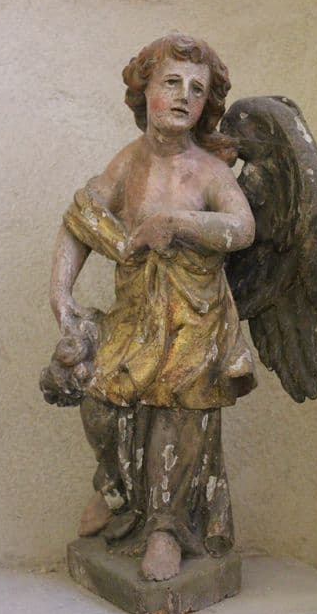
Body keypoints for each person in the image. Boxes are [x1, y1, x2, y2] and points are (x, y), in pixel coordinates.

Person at [49, 33, 256, 581]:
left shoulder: (208, 171)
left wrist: (177, 223)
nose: (185, 95)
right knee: (99, 398)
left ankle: (167, 527)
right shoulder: (129, 162)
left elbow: (242, 227)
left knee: (177, 416)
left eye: (197, 88)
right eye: (172, 82)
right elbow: (81, 220)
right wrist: (62, 296)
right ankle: (115, 487)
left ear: (207, 103)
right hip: (137, 314)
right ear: (144, 91)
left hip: (196, 318)